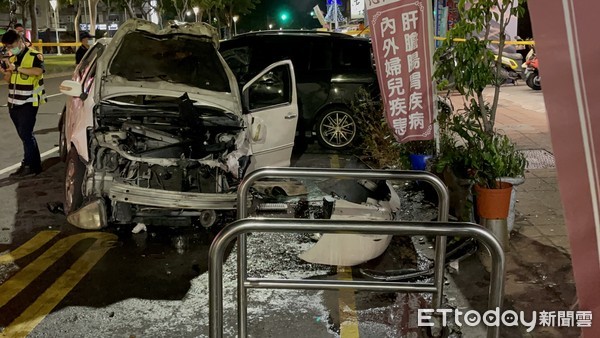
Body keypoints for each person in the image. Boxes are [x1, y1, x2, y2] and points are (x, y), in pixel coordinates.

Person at [0, 29, 46, 177]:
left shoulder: (34, 55)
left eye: (11, 45)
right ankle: (30, 164)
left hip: (28, 102)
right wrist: (5, 71)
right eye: (6, 47)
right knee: (23, 135)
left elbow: (38, 71)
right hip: (13, 102)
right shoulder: (12, 58)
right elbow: (8, 80)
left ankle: (31, 165)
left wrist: (17, 68)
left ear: (20, 41)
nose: (9, 49)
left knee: (26, 134)